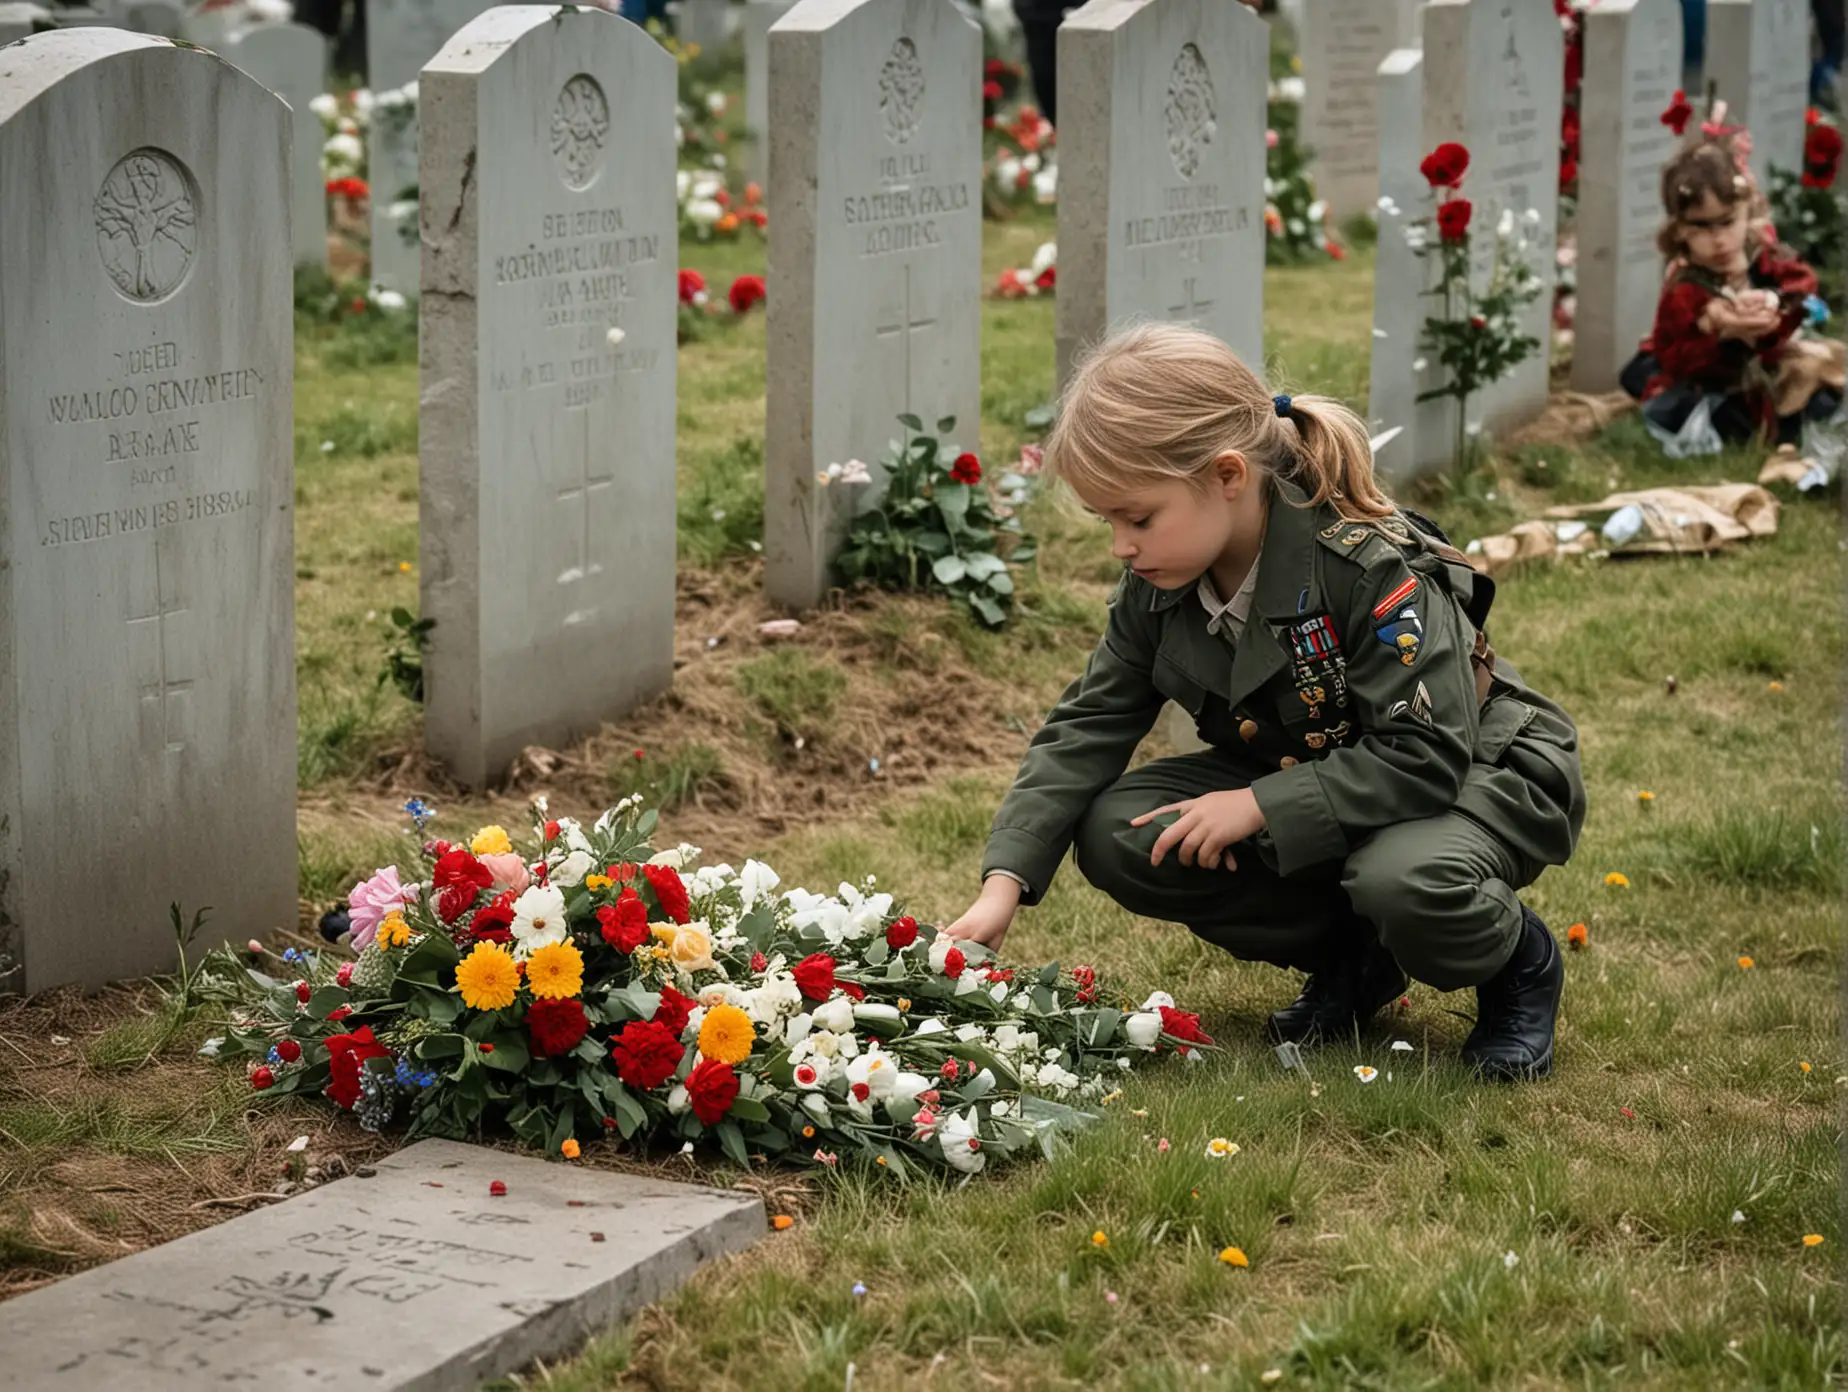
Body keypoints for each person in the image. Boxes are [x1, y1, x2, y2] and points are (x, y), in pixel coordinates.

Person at [941, 325, 1586, 1081]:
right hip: (1328, 774)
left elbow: (1424, 755)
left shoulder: (1366, 564)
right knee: (1124, 832)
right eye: (1106, 521)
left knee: (1403, 880)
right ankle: (1358, 961)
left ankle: (1517, 963)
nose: (1121, 545)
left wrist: (1255, 805)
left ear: (1227, 475)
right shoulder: (1159, 588)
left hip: (1477, 767)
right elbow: (1088, 724)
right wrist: (1004, 884)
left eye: (1138, 517)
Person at [1626, 126, 1841, 458]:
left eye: (1727, 222)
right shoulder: (1686, 287)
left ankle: (1789, 422)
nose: (1719, 240)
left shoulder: (1762, 254)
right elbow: (1674, 357)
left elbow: (1804, 282)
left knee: (1821, 386)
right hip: (1717, 383)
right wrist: (1717, 328)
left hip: (1771, 368)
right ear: (1680, 228)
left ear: (1746, 211)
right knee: (1715, 415)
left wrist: (1774, 301)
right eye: (1702, 226)